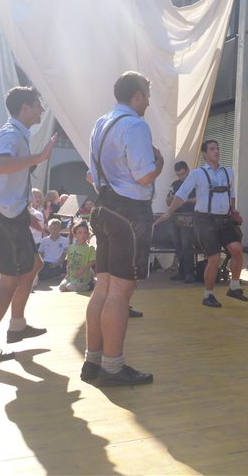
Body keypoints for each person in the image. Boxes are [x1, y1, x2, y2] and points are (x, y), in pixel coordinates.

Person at [82, 71, 162, 387]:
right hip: (129, 213)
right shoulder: (135, 125)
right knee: (120, 292)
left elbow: (91, 175)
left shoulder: (101, 124)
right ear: (137, 95)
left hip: (102, 206)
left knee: (102, 288)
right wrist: (159, 162)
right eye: (147, 95)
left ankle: (93, 361)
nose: (149, 101)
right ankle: (113, 367)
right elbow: (144, 176)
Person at [0, 86, 56, 362]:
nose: (41, 109)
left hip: (11, 215)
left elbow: (8, 177)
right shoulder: (11, 134)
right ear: (25, 108)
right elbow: (1, 165)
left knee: (34, 265)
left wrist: (29, 217)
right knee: (8, 282)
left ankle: (16, 325)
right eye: (37, 105)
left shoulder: (16, 133)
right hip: (5, 217)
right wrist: (39, 158)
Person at [155, 139, 246, 308]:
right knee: (214, 258)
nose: (216, 151)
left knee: (237, 249)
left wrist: (233, 211)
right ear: (205, 153)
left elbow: (231, 194)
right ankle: (208, 295)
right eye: (212, 149)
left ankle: (234, 287)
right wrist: (169, 212)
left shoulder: (228, 172)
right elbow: (182, 194)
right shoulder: (197, 174)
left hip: (224, 219)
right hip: (204, 220)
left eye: (217, 148)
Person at [166, 161, 196, 282]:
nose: (180, 177)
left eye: (182, 174)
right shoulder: (175, 184)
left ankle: (190, 272)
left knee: (186, 244)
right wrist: (171, 198)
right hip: (175, 217)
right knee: (177, 244)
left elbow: (199, 198)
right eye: (178, 175)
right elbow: (168, 203)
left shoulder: (194, 183)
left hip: (188, 217)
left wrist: (185, 200)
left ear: (188, 171)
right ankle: (182, 271)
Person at [59, 221, 96, 292]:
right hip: (71, 276)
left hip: (83, 276)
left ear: (88, 234)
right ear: (75, 234)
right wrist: (68, 272)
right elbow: (68, 261)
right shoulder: (70, 247)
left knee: (70, 287)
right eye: (80, 232)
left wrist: (81, 270)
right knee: (62, 287)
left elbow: (92, 261)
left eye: (85, 232)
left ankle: (89, 285)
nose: (83, 235)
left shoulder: (90, 248)